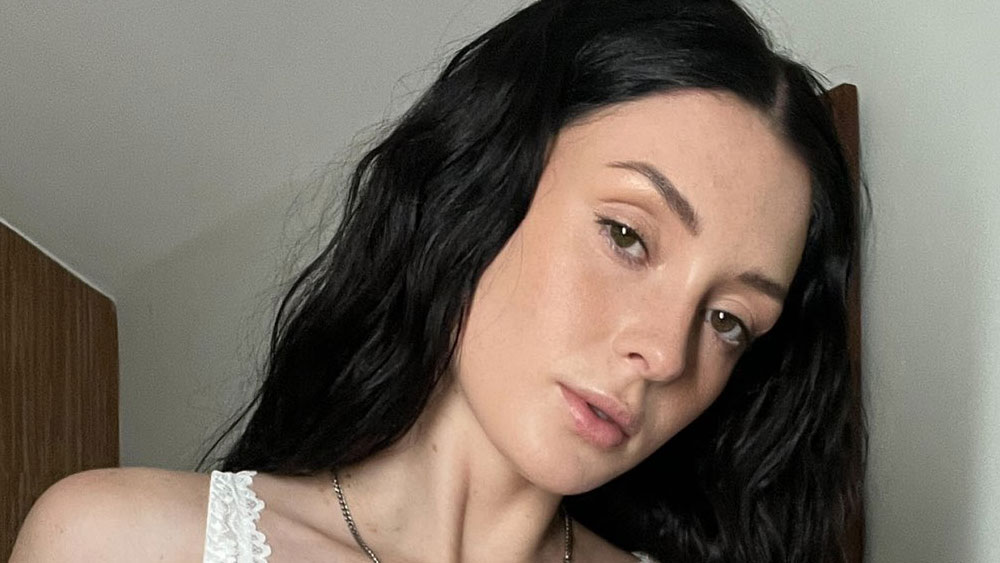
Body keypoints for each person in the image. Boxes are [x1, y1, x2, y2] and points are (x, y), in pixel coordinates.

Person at [11, 0, 865, 561]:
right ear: (483, 188)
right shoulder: (114, 541)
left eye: (727, 318)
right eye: (627, 235)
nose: (666, 354)